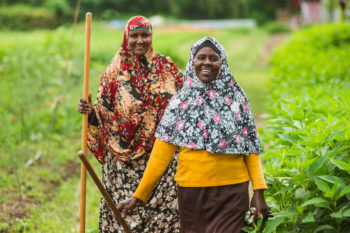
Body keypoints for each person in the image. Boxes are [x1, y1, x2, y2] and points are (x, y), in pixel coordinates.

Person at [117, 37, 269, 233]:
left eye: (213, 58)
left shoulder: (236, 98)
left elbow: (250, 150)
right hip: (192, 192)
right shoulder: (180, 103)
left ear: (222, 63)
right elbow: (160, 155)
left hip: (232, 191)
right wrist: (139, 195)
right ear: (192, 61)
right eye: (201, 57)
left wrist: (258, 191)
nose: (207, 63)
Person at [78, 16, 183, 232]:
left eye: (145, 35)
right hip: (121, 167)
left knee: (165, 220)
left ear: (151, 36)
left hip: (162, 160)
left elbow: (186, 101)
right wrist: (91, 113)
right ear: (126, 37)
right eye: (134, 35)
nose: (140, 40)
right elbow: (104, 113)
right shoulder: (114, 72)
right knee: (122, 221)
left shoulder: (167, 67)